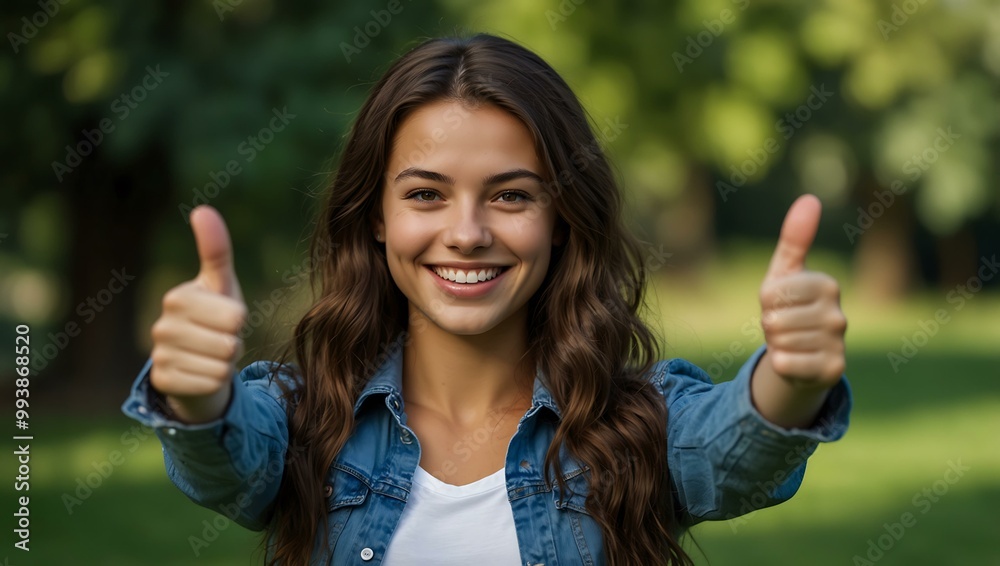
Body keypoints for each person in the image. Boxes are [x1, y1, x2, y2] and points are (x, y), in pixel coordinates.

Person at [122, 33, 851, 566]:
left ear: (563, 217)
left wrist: (790, 379)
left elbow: (729, 450)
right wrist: (196, 396)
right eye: (426, 194)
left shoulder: (635, 426)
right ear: (377, 217)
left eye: (509, 195)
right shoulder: (305, 417)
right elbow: (226, 459)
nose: (466, 233)